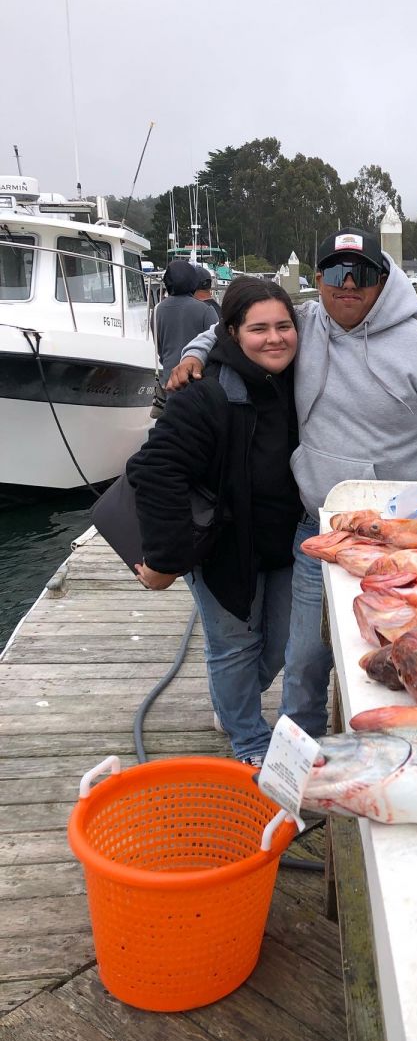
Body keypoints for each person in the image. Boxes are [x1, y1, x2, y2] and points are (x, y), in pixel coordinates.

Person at [169, 227, 417, 738]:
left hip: (403, 540)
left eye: (361, 273)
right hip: (314, 531)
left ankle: (402, 749)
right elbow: (231, 327)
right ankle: (303, 758)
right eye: (335, 272)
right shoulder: (306, 324)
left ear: (384, 280)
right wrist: (193, 354)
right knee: (303, 659)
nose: (348, 284)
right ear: (317, 280)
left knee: (406, 656)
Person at [127, 277, 303, 766]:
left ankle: (233, 706)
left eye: (284, 325)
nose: (274, 338)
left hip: (287, 542)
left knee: (285, 644)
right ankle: (246, 737)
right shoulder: (202, 394)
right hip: (225, 547)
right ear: (231, 332)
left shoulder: (301, 382)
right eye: (259, 328)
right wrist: (163, 561)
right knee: (234, 647)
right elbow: (153, 469)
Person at [155, 260, 220, 384]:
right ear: (193, 282)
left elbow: (159, 347)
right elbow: (216, 343)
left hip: (171, 378)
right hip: (198, 377)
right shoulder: (206, 310)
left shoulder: (158, 309)